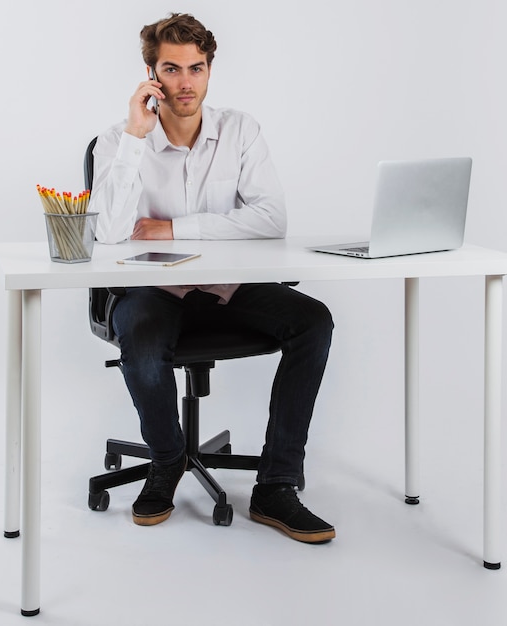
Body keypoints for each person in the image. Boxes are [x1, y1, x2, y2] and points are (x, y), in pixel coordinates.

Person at [88, 13, 335, 543]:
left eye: (196, 69)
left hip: (228, 287)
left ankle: (276, 485)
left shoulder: (240, 130)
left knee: (313, 322)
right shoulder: (118, 141)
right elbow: (106, 235)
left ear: (209, 70)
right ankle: (167, 459)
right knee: (144, 336)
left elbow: (271, 221)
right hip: (152, 290)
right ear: (151, 74)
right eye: (171, 69)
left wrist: (172, 227)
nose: (185, 83)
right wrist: (136, 135)